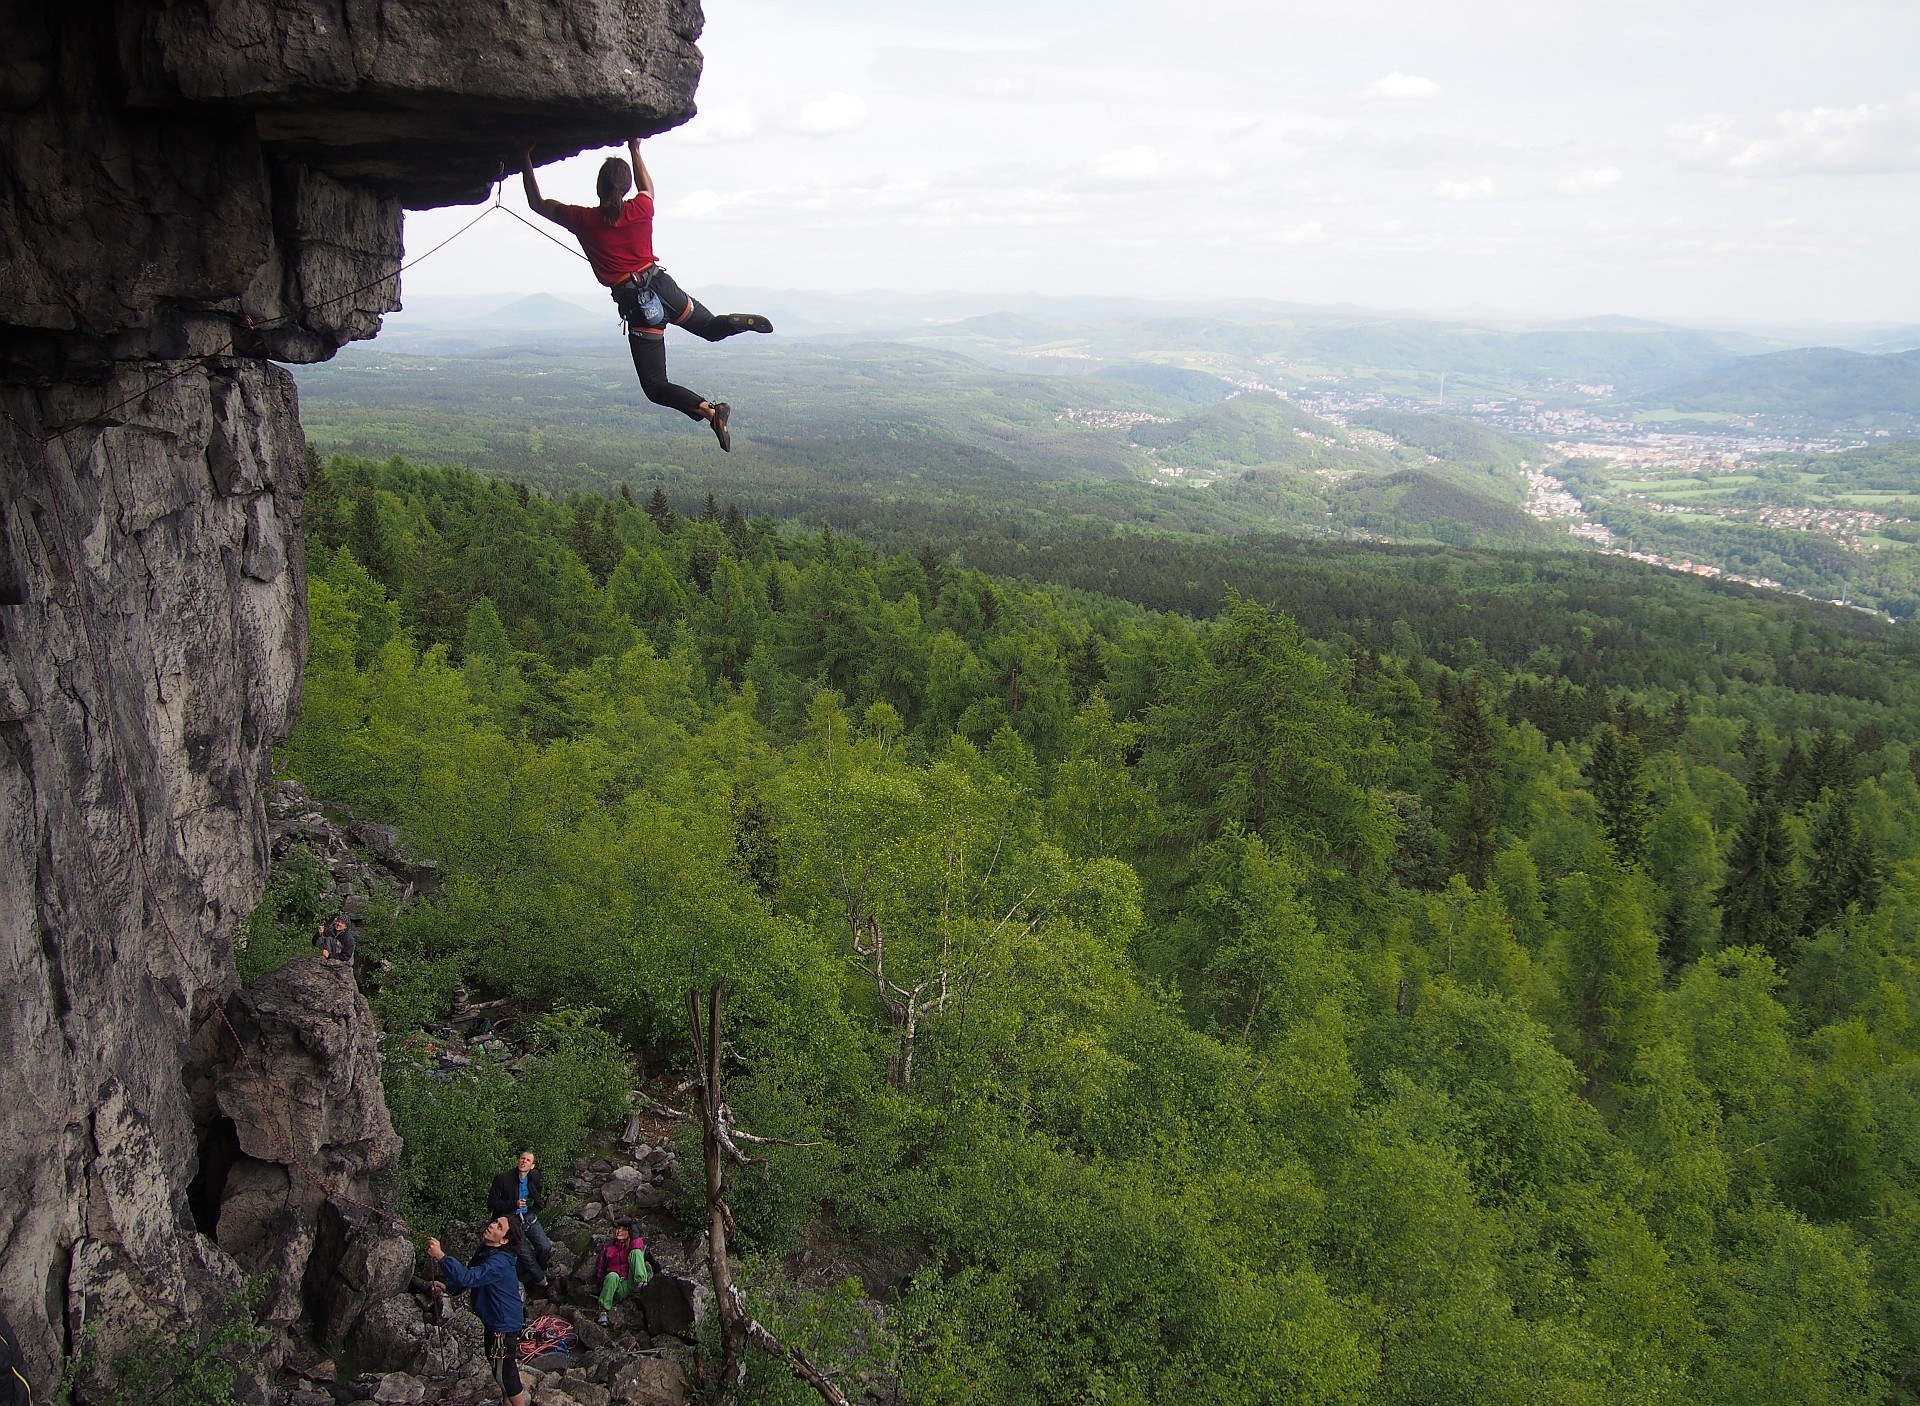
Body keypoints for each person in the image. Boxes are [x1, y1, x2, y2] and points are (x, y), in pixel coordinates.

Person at [520, 137, 772, 453]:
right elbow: (647, 189)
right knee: (710, 328)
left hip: (639, 307)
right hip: (663, 288)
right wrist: (635, 149)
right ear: (625, 189)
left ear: (599, 189)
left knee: (656, 385)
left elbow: (536, 202)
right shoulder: (641, 209)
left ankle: (709, 410)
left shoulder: (584, 220)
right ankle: (735, 324)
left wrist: (524, 157)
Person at [428, 1218, 528, 1406]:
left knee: (506, 1375)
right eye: (495, 1222)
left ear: (504, 1240)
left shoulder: (499, 1261)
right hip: (496, 1321)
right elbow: (471, 1274)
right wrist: (447, 1286)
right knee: (500, 1372)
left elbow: (469, 1277)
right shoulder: (487, 1251)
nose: (492, 1225)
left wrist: (441, 1256)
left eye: (500, 1227)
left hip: (503, 1324)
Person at [487, 1150, 553, 1295]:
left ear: (532, 1166)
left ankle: (540, 1271)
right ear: (518, 1161)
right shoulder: (503, 1178)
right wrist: (514, 1204)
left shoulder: (534, 1176)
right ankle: (543, 1282)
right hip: (510, 1221)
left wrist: (533, 1205)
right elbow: (492, 1203)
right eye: (522, 1158)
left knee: (545, 1246)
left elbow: (538, 1192)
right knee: (526, 1255)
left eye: (528, 1160)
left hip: (528, 1215)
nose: (524, 1161)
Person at [590, 1219, 652, 1326]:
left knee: (636, 1252)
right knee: (612, 1276)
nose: (619, 1231)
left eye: (623, 1229)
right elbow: (601, 1267)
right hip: (617, 1286)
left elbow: (637, 1245)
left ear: (629, 1233)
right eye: (618, 1229)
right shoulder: (608, 1247)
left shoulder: (632, 1245)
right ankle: (603, 1311)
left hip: (630, 1283)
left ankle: (642, 1284)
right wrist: (600, 1286)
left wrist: (632, 1226)